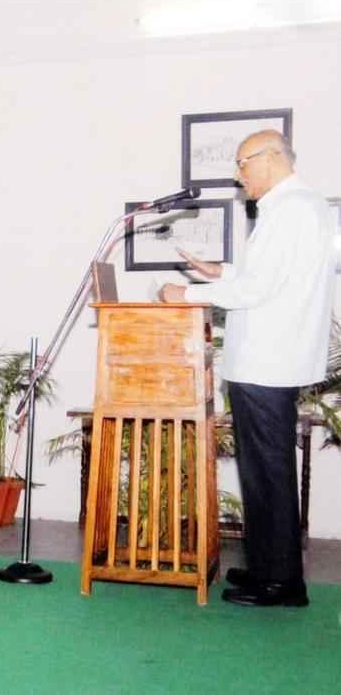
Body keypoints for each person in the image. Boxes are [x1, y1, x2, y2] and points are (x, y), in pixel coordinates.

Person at [160, 130, 334, 608]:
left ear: (271, 157)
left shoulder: (291, 209)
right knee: (261, 472)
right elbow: (271, 280)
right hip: (269, 361)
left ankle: (281, 583)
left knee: (268, 474)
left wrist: (186, 293)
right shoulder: (300, 206)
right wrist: (221, 273)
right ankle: (266, 567)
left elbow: (259, 291)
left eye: (242, 164)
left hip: (267, 362)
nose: (239, 176)